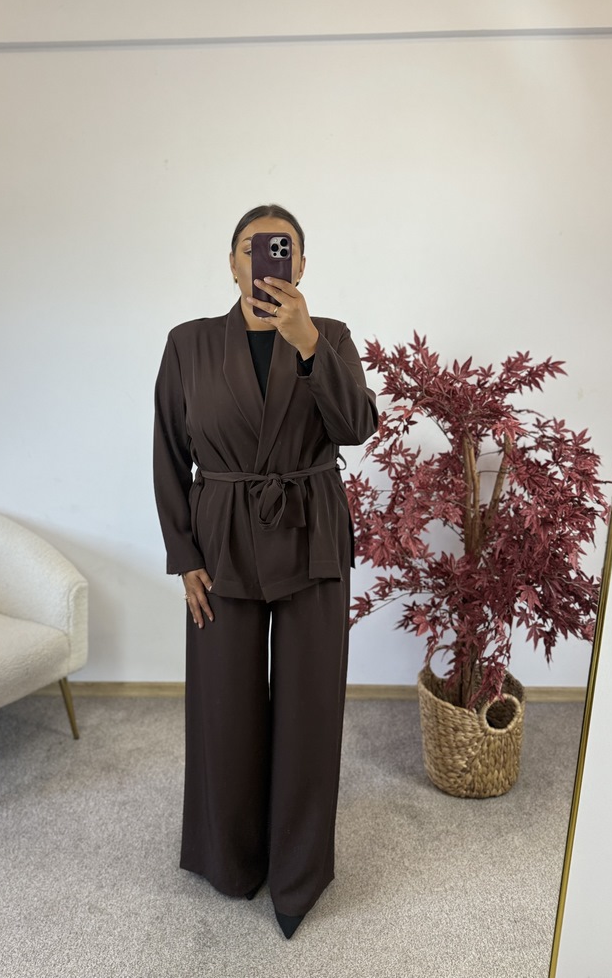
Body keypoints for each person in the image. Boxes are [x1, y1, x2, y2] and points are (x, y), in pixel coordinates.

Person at [153, 203, 378, 939]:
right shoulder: (188, 343)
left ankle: (298, 872)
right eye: (253, 248)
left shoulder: (330, 336)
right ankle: (231, 859)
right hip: (220, 542)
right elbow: (168, 453)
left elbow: (356, 427)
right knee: (225, 705)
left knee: (310, 707)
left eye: (281, 249)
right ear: (232, 262)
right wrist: (183, 555)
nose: (266, 260)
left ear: (301, 265)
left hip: (312, 535)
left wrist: (306, 343)